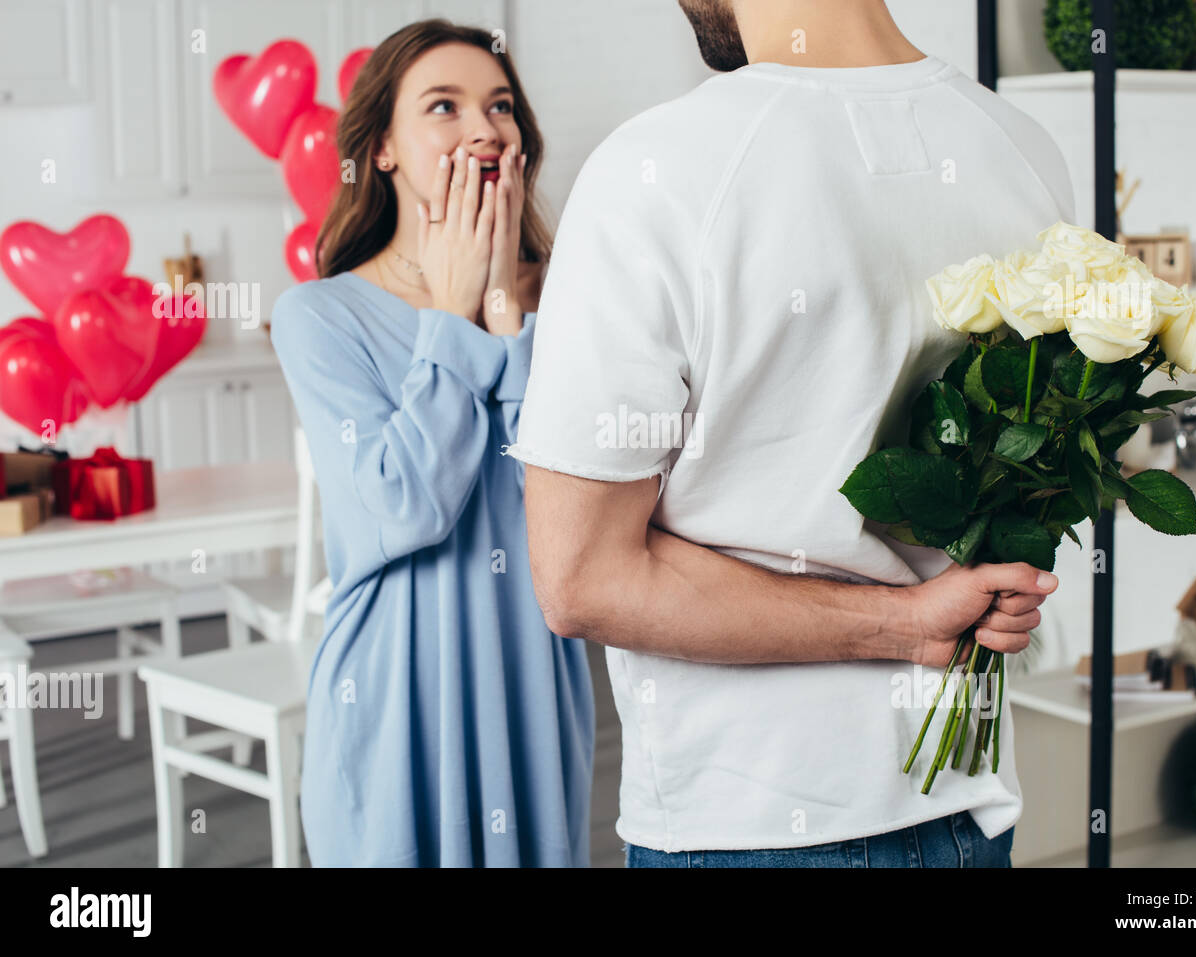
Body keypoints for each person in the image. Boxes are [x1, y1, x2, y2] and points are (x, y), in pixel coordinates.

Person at [503, 0, 1071, 867]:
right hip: (970, 812)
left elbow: (582, 576)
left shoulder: (653, 169)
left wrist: (907, 625)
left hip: (744, 824)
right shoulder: (1025, 151)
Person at [269, 19, 594, 867]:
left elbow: (565, 500)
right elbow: (401, 505)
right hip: (393, 688)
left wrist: (504, 316)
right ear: (383, 149)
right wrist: (451, 319)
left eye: (500, 107)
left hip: (529, 675)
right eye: (444, 107)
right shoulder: (318, 315)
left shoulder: (568, 296)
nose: (485, 128)